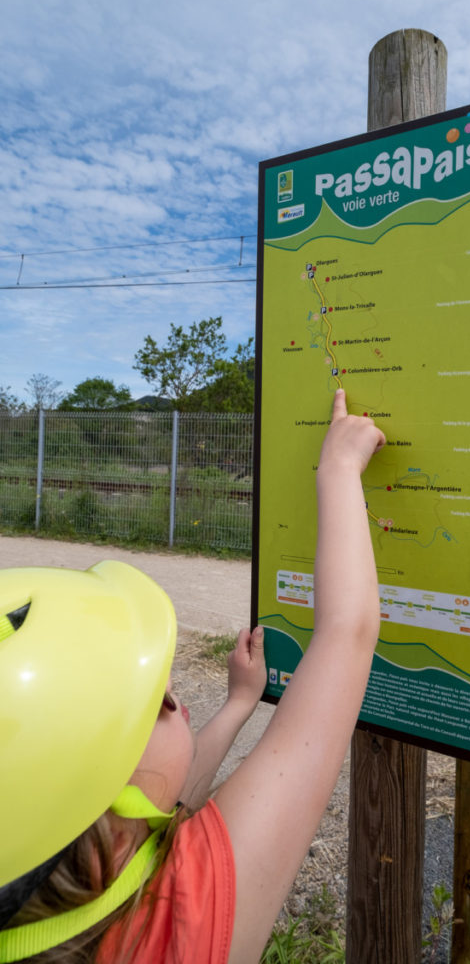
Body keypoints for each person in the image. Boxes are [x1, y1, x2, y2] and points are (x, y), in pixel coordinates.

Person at [0, 388, 385, 964]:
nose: (175, 700)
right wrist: (338, 467)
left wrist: (237, 704)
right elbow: (346, 633)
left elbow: (163, 794)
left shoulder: (56, 890)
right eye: (157, 702)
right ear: (109, 837)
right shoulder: (183, 919)